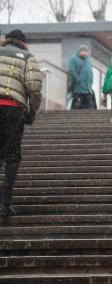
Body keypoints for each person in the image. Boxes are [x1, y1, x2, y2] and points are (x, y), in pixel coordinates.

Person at [0, 29, 42, 216]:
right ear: (23, 42)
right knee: (12, 156)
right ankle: (4, 203)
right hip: (12, 108)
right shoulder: (27, 57)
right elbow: (34, 87)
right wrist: (32, 112)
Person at [68, 45, 95, 109]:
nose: (85, 53)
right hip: (78, 87)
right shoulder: (73, 59)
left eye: (86, 51)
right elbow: (71, 70)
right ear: (79, 51)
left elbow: (90, 72)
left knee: (88, 107)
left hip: (88, 89)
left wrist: (91, 82)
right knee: (75, 106)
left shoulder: (88, 61)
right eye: (83, 51)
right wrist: (77, 79)